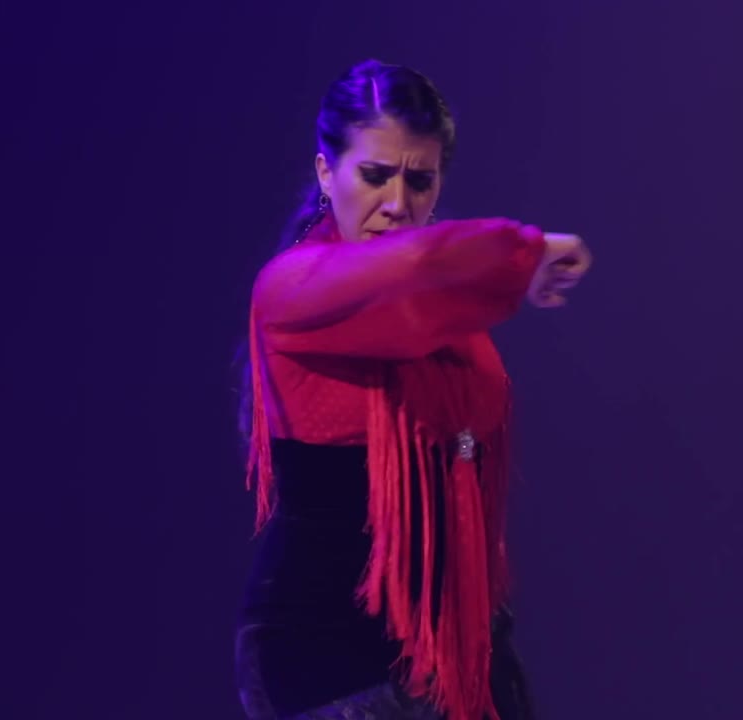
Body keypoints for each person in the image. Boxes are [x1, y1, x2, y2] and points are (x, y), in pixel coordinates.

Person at [235, 58, 592, 720]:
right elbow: (418, 267)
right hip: (327, 661)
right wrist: (525, 252)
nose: (398, 203)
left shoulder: (451, 323)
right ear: (326, 172)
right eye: (375, 175)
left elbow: (466, 456)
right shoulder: (292, 288)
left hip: (454, 656)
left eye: (419, 180)